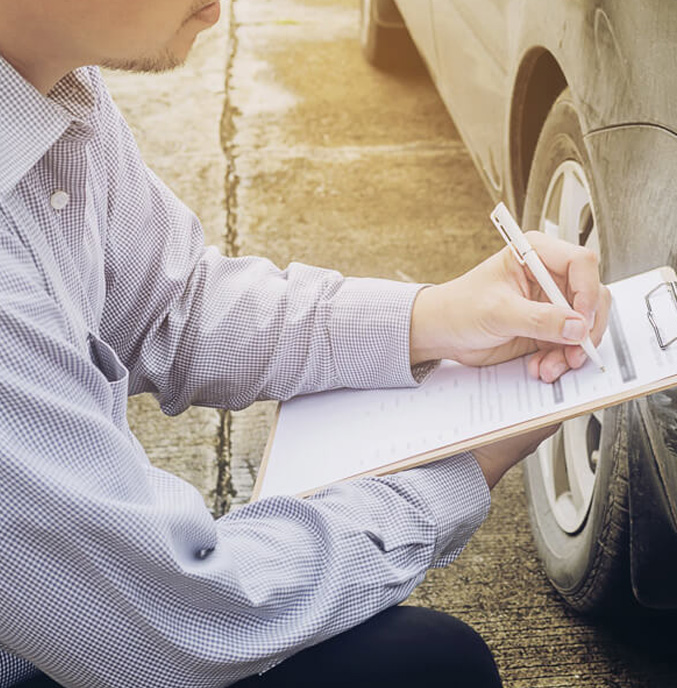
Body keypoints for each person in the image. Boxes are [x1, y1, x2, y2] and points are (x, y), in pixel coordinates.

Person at [0, 1, 610, 686]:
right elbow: (184, 617)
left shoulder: (52, 90)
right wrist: (450, 470)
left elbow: (172, 305)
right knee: (430, 669)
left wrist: (435, 318)